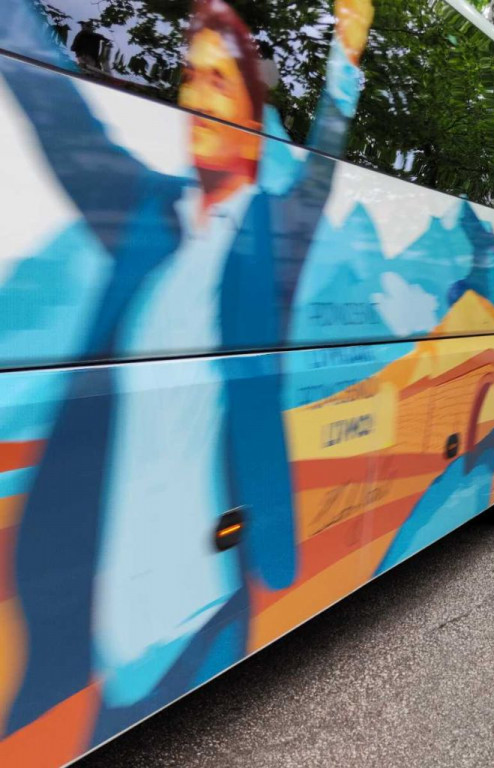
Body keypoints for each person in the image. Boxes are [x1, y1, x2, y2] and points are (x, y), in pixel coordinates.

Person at [1, 0, 372, 742]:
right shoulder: (146, 208)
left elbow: (323, 168)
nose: (198, 98)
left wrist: (348, 62)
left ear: (250, 105)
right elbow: (59, 113)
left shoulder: (275, 229)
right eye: (190, 78)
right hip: (90, 607)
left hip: (206, 603)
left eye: (219, 79)